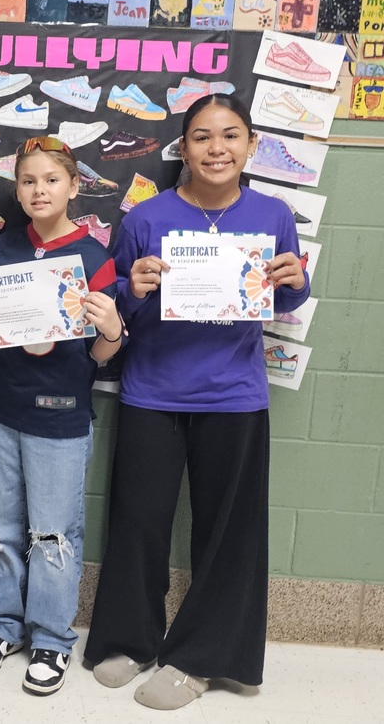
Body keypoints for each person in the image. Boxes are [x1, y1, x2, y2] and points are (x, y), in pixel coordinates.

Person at [83, 93, 310, 710]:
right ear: (182, 148)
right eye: (203, 137)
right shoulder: (145, 219)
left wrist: (296, 283)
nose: (217, 149)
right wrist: (131, 287)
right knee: (138, 523)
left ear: (251, 145)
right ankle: (130, 640)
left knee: (227, 533)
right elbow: (118, 313)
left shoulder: (273, 214)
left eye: (230, 136)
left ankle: (202, 659)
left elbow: (282, 301)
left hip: (235, 397)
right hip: (152, 391)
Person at [0, 136, 124, 695]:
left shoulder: (96, 258)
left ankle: (51, 640)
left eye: (51, 180)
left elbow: (102, 357)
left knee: (52, 533)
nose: (39, 190)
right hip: (2, 409)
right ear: (17, 188)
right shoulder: (2, 247)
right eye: (28, 180)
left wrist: (111, 331)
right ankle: (1, 628)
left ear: (74, 187)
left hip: (60, 417)